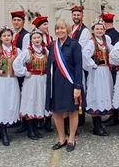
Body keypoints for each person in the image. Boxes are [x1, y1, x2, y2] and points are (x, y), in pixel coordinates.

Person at [46, 19, 84, 152]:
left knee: (72, 111)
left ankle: (72, 139)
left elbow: (79, 67)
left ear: (67, 29)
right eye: (57, 29)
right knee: (57, 111)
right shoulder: (53, 45)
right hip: (56, 84)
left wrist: (78, 87)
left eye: (62, 28)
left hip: (71, 83)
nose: (59, 31)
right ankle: (62, 139)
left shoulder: (74, 45)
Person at [13, 29, 49, 140]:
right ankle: (30, 130)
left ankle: (36, 128)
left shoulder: (45, 51)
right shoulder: (27, 52)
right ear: (31, 40)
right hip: (32, 80)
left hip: (43, 80)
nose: (37, 40)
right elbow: (16, 63)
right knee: (31, 102)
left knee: (39, 102)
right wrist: (25, 72)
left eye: (38, 37)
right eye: (34, 38)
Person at [82, 19, 114, 136]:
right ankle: (97, 126)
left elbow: (113, 51)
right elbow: (85, 55)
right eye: (97, 29)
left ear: (104, 30)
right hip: (97, 72)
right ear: (93, 30)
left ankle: (99, 123)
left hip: (105, 71)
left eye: (101, 29)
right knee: (96, 94)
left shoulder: (105, 41)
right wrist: (93, 64)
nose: (99, 31)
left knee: (103, 94)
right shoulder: (91, 42)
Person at [70, 5, 90, 127]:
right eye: (74, 15)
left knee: (79, 88)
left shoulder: (85, 30)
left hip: (78, 63)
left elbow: (79, 47)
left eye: (78, 15)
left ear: (82, 16)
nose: (76, 17)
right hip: (70, 64)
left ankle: (80, 118)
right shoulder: (71, 28)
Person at [102, 12, 119, 126]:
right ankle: (114, 115)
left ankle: (114, 116)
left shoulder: (107, 36)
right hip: (114, 66)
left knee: (112, 90)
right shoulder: (117, 33)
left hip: (109, 66)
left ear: (104, 23)